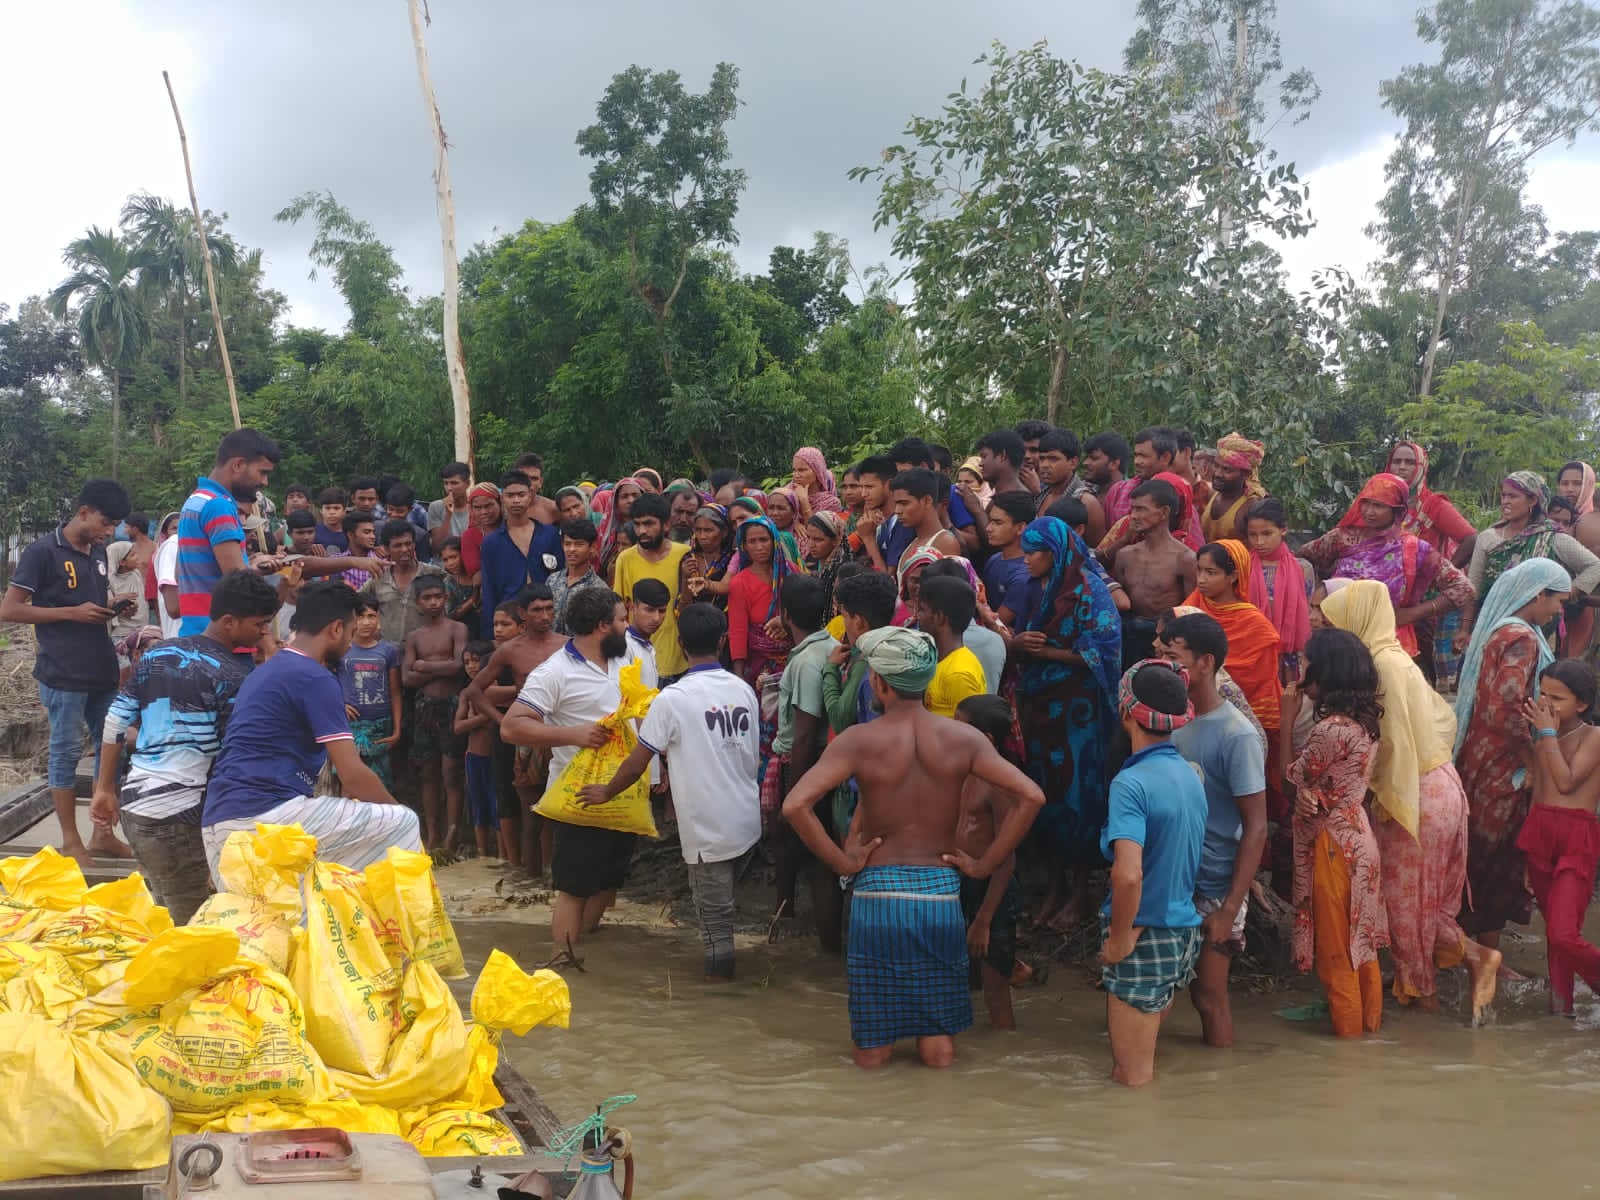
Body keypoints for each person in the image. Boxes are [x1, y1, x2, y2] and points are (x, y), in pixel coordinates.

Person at [782, 626, 1044, 1068]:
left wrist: (843, 860)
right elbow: (1031, 797)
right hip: (939, 895)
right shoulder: (964, 739)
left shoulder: (858, 741)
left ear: (879, 684)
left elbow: (795, 805)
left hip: (877, 894)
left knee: (873, 1043)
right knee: (938, 1043)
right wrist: (983, 865)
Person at [1320, 580, 1502, 1020]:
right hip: (1438, 782)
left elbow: (1395, 742)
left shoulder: (1381, 664)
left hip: (1414, 793)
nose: (1324, 629)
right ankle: (1457, 970)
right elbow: (1442, 720)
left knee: (1405, 914)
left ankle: (1433, 999)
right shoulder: (1397, 656)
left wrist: (1377, 797)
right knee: (1419, 906)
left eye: (1330, 621)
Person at [581, 602, 760, 979]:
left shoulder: (673, 698)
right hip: (746, 817)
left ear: (678, 644)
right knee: (723, 908)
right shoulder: (742, 690)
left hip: (705, 824)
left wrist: (606, 792)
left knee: (714, 922)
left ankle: (717, 993)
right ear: (724, 641)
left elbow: (638, 760)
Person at [90, 570, 279, 922]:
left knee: (162, 910)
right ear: (228, 621)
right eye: (260, 624)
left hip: (136, 806)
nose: (265, 631)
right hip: (180, 816)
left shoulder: (157, 655)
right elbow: (232, 758)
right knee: (191, 923)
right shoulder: (233, 676)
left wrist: (104, 788)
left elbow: (115, 721)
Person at [201, 582, 421, 871]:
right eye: (351, 634)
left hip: (217, 823)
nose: (349, 645)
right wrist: (395, 810)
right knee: (403, 822)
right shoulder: (315, 677)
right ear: (335, 629)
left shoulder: (265, 671)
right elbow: (353, 776)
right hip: (268, 816)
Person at [0, 478, 133, 867]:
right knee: (65, 752)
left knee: (112, 749)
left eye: (114, 527)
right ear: (83, 512)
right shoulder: (42, 552)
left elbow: (86, 601)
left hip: (101, 667)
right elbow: (9, 610)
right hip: (63, 669)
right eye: (106, 523)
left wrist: (111, 605)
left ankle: (103, 835)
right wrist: (70, 614)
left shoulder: (96, 553)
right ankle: (71, 839)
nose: (109, 532)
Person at [501, 588, 634, 952]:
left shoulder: (625, 658)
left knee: (609, 884)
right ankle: (564, 967)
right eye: (622, 619)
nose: (628, 626)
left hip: (625, 793)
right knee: (573, 889)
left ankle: (584, 954)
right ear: (602, 625)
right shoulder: (554, 671)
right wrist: (571, 734)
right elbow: (511, 726)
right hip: (578, 797)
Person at [1453, 557, 1572, 947]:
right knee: (1498, 853)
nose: (1558, 612)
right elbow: (1506, 703)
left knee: (1476, 849)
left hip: (1480, 755)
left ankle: (1461, 944)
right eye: (1557, 602)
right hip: (1503, 765)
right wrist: (1530, 761)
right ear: (1538, 594)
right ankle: (1486, 952)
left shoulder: (1499, 631)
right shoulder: (1520, 638)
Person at [1098, 659, 1205, 1087]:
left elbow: (1127, 876)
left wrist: (1121, 937)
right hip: (1181, 933)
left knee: (1131, 1077)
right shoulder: (1189, 775)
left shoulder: (1131, 784)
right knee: (1142, 1067)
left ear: (1126, 713)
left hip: (1144, 932)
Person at [1162, 613, 1266, 1049]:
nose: (1163, 665)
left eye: (1173, 657)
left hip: (1216, 883)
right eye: (1160, 654)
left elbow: (1256, 826)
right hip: (1171, 879)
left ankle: (1221, 1091)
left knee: (1209, 996)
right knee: (1156, 992)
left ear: (1205, 663)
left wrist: (1229, 908)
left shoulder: (1235, 734)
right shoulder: (1165, 721)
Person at [1015, 516, 1122, 931]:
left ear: (1055, 553)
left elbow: (1105, 651)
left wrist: (1045, 656)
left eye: (1033, 552)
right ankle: (1055, 886)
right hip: (1041, 707)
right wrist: (1019, 644)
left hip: (1079, 712)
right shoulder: (1037, 587)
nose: (1025, 560)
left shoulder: (1089, 591)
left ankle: (1078, 891)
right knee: (1046, 790)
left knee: (1078, 792)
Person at [1282, 629, 1389, 1038]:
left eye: (1306, 664)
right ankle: (1368, 1033)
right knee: (1360, 944)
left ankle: (1348, 1050)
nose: (1300, 671)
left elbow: (1289, 775)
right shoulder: (1363, 724)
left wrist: (1287, 716)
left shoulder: (1331, 729)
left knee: (1336, 951)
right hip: (1357, 835)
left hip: (1333, 845)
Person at [1299, 473, 1475, 671]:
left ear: (1397, 510)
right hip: (1338, 638)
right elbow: (1302, 559)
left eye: (1379, 506)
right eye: (1366, 503)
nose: (1369, 512)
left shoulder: (1415, 549)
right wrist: (1317, 598)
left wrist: (1412, 614)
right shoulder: (1342, 538)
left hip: (1388, 642)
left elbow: (1464, 588)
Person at [1519, 658, 1600, 1015]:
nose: (1546, 704)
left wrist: (1546, 735)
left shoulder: (1595, 736)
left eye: (1558, 698)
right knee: (1554, 938)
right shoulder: (1543, 741)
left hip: (1575, 839)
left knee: (1563, 934)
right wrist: (1526, 858)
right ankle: (1560, 1012)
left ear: (1581, 704)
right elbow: (1539, 795)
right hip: (1541, 836)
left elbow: (1567, 782)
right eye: (1543, 694)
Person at [462, 592, 566, 868]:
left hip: (563, 736)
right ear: (523, 614)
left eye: (549, 609)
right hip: (528, 739)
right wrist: (502, 721)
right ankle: (528, 878)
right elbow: (474, 690)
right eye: (537, 610)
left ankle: (550, 877)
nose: (544, 616)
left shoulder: (567, 646)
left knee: (557, 811)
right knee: (531, 813)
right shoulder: (510, 650)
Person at [1460, 472, 1600, 650]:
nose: (1505, 501)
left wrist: (1567, 592)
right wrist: (1464, 629)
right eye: (1504, 495)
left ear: (1533, 500)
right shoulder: (1488, 538)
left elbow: (1595, 566)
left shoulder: (1551, 537)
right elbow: (1474, 588)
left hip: (1533, 630)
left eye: (1513, 496)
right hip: (1488, 624)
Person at [769, 576, 838, 939]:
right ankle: (786, 921)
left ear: (785, 614)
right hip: (818, 764)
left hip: (803, 766)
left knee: (814, 857)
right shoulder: (829, 646)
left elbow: (804, 734)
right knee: (794, 847)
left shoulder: (808, 660)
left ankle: (815, 936)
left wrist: (796, 796)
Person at [953, 693, 1027, 1028]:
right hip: (961, 883)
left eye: (960, 727)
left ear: (985, 739)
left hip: (991, 890)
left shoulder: (1000, 782)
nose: (951, 734)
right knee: (965, 976)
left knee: (995, 989)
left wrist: (983, 919)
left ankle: (1005, 1044)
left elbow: (1006, 858)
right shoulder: (958, 770)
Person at [176, 429, 282, 635]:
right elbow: (238, 584)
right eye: (263, 472)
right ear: (238, 465)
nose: (264, 482)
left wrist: (251, 567)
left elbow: (181, 573)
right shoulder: (219, 506)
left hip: (196, 632)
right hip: (223, 638)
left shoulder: (196, 500)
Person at [403, 575, 468, 852]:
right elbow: (406, 679)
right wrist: (437, 665)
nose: (433, 603)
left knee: (451, 772)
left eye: (437, 597)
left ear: (446, 598)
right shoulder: (414, 637)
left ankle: (452, 833)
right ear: (417, 603)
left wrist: (425, 666)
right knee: (428, 773)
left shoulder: (457, 629)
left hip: (452, 705)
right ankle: (431, 833)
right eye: (426, 598)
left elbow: (459, 667)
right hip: (424, 707)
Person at [1111, 479, 1197, 668]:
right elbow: (1118, 602)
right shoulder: (1125, 555)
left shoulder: (1184, 559)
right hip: (1128, 639)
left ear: (1164, 512)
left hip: (1164, 642)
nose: (1133, 516)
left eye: (1141, 509)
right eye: (1132, 509)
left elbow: (1191, 613)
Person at [612, 492, 691, 679]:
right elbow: (619, 610)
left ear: (666, 525)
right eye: (637, 524)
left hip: (679, 661)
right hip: (637, 664)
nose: (641, 531)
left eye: (648, 524)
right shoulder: (625, 559)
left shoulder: (685, 555)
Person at [480, 472, 564, 641]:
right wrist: (491, 635)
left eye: (521, 495)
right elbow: (489, 589)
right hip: (510, 622)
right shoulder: (491, 543)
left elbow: (561, 576)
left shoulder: (549, 534)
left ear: (530, 495)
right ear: (502, 498)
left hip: (547, 618)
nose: (516, 500)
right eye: (510, 495)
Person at [1243, 497, 1314, 682]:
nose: (1259, 541)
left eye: (1267, 533)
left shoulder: (1302, 568)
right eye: (1253, 535)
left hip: (1289, 655)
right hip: (1250, 649)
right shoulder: (1242, 565)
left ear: (1283, 530)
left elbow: (1307, 613)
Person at [339, 596, 402, 789]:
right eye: (360, 617)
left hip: (381, 727)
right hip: (349, 726)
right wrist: (339, 704)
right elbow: (325, 683)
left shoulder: (389, 651)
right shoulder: (341, 649)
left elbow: (395, 691)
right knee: (350, 785)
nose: (366, 622)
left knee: (380, 784)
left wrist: (397, 730)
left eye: (371, 616)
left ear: (379, 618)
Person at [917, 576, 987, 717]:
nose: (917, 615)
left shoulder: (958, 675)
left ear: (940, 617)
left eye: (922, 610)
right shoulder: (938, 660)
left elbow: (968, 734)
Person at [455, 639, 499, 859]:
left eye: (476, 661)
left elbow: (502, 721)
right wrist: (485, 716)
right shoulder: (467, 693)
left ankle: (503, 856)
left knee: (498, 806)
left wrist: (479, 715)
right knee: (478, 808)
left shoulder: (499, 690)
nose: (472, 666)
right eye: (467, 662)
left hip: (496, 757)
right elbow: (458, 726)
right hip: (474, 756)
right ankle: (482, 856)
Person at [982, 492, 1035, 628]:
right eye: (990, 521)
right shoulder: (994, 559)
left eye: (997, 523)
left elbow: (997, 625)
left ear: (1020, 527)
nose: (988, 528)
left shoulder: (1023, 575)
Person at [1202, 433, 1266, 544]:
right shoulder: (1214, 494)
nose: (1217, 473)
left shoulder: (1252, 507)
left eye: (1227, 470)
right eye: (1216, 465)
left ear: (1246, 474)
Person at [549, 518, 606, 634]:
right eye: (567, 544)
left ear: (592, 547)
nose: (571, 549)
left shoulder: (599, 589)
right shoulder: (552, 580)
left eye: (579, 544)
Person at [106, 512, 154, 644]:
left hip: (145, 619)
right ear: (121, 562)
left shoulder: (154, 549)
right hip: (122, 633)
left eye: (126, 527)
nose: (124, 530)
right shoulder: (110, 583)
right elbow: (109, 607)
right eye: (133, 555)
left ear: (135, 528)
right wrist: (119, 605)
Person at [680, 506, 736, 611]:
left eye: (708, 530)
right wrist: (685, 577)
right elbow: (683, 606)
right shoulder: (689, 559)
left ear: (724, 532)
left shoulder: (733, 560)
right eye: (698, 530)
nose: (702, 536)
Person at [1082, 432, 1134, 527]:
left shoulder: (1133, 497)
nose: (1085, 463)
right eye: (1086, 457)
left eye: (1094, 458)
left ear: (1114, 464)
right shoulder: (1083, 491)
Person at [428, 461, 474, 551]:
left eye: (454, 483)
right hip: (443, 562)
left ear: (467, 484)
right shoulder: (435, 507)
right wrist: (448, 514)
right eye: (446, 483)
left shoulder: (476, 507)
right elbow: (437, 546)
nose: (449, 488)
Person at [460, 482, 502, 579]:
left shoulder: (513, 529)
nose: (484, 512)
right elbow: (476, 575)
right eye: (477, 507)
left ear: (500, 503)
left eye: (488, 505)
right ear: (471, 509)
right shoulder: (469, 536)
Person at [152, 510, 183, 639]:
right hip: (179, 634)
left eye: (182, 527)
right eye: (174, 528)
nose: (179, 531)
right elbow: (174, 608)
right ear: (164, 533)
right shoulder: (173, 545)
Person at [790, 446, 842, 518]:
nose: (796, 475)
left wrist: (804, 501)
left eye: (802, 470)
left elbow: (815, 529)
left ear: (817, 471)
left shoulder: (831, 503)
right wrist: (794, 523)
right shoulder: (788, 495)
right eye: (794, 470)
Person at [439, 536, 479, 629]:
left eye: (453, 557)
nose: (450, 563)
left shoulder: (479, 575)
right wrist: (473, 599)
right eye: (445, 560)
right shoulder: (448, 583)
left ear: (464, 554)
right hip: (463, 632)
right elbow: (450, 615)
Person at [315, 487, 350, 552]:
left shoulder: (351, 534)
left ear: (344, 510)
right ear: (321, 510)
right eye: (327, 508)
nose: (332, 512)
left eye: (336, 508)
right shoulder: (314, 532)